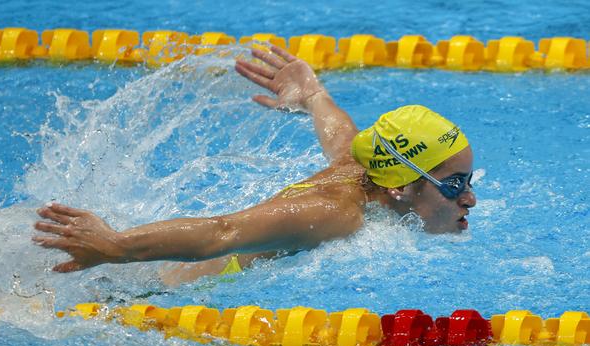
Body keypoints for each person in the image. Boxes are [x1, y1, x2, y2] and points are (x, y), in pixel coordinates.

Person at [33, 46, 476, 286]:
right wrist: (118, 246)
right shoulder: (334, 213)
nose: (470, 198)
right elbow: (222, 231)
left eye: (468, 181)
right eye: (455, 185)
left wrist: (314, 96)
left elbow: (344, 137)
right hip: (168, 287)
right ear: (400, 186)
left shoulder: (363, 168)